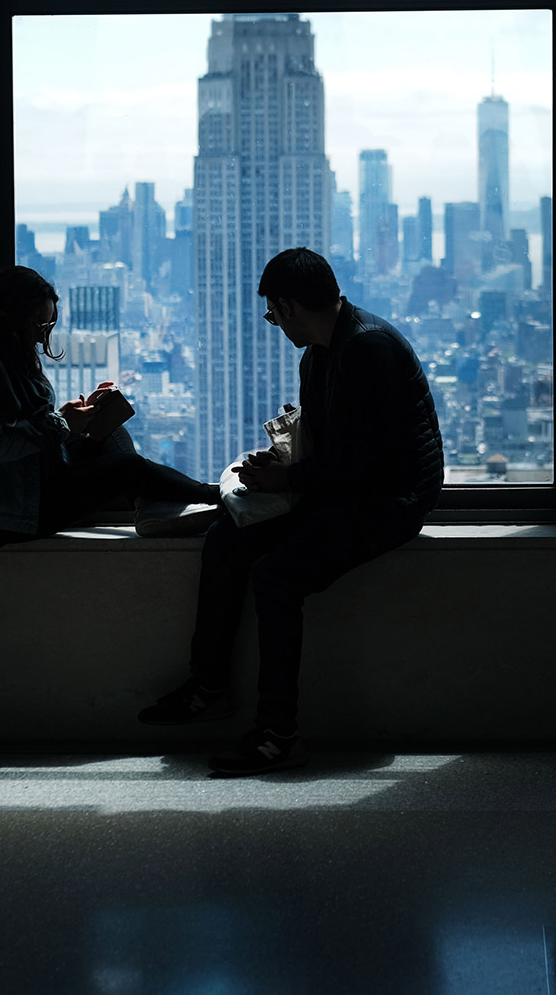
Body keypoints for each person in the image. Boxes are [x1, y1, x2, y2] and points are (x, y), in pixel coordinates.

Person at [137, 248, 443, 776]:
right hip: (342, 489)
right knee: (227, 535)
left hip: (392, 501)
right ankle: (209, 687)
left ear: (289, 305)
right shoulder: (320, 354)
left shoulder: (368, 348)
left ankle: (278, 734)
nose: (274, 323)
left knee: (276, 575)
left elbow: (372, 465)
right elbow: (332, 450)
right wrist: (277, 466)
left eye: (273, 313)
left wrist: (290, 479)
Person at [0, 265, 218, 543]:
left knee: (112, 431)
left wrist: (76, 417)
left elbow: (22, 425)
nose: (43, 337)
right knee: (126, 467)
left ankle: (149, 502)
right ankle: (215, 497)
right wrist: (62, 423)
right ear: (10, 320)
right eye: (39, 325)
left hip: (21, 484)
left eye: (49, 325)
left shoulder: (4, 358)